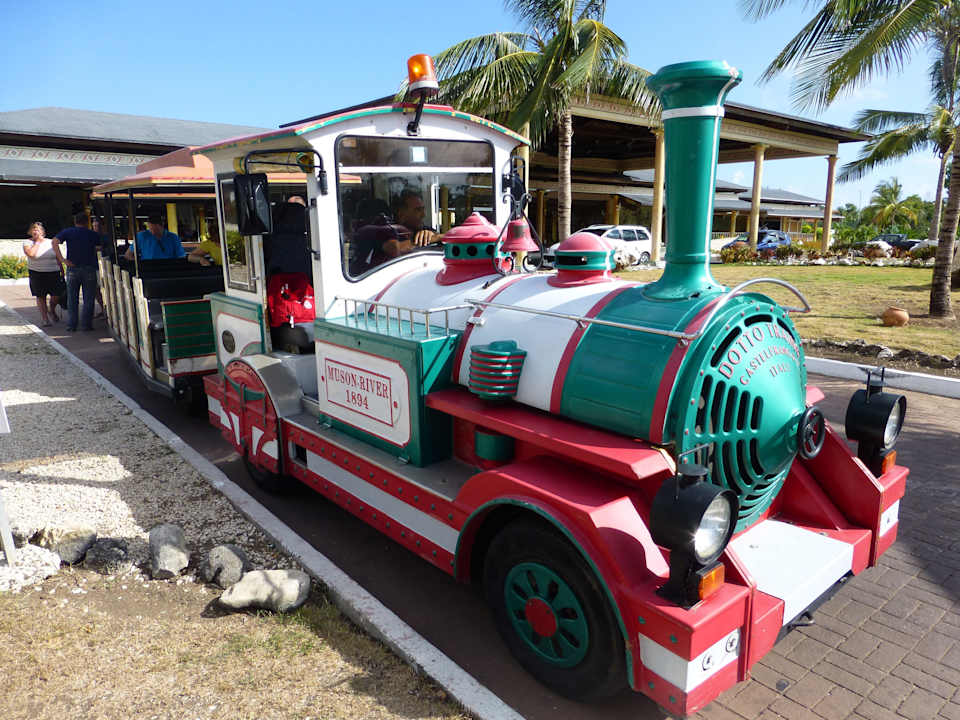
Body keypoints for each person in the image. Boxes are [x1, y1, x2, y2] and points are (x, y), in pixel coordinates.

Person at [349, 189, 439, 274]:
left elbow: (438, 241)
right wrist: (433, 239)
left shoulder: (422, 229)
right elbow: (395, 249)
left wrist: (432, 235)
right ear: (401, 213)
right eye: (418, 210)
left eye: (423, 209)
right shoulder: (378, 231)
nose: (423, 215)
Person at [53, 213, 101, 332]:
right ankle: (86, 325)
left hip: (72, 267)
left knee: (72, 298)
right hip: (89, 267)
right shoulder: (91, 234)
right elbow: (100, 246)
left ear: (75, 221)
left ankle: (72, 324)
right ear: (86, 222)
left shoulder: (68, 232)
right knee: (88, 298)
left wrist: (62, 259)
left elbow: (54, 241)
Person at [22, 221, 64, 327]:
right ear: (30, 232)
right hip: (37, 273)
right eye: (34, 229)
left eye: (38, 229)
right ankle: (45, 319)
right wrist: (37, 243)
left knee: (56, 295)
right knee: (41, 296)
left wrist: (62, 269)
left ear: (43, 232)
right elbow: (32, 255)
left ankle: (52, 309)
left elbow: (58, 256)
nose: (36, 231)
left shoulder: (51, 242)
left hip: (53, 272)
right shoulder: (27, 243)